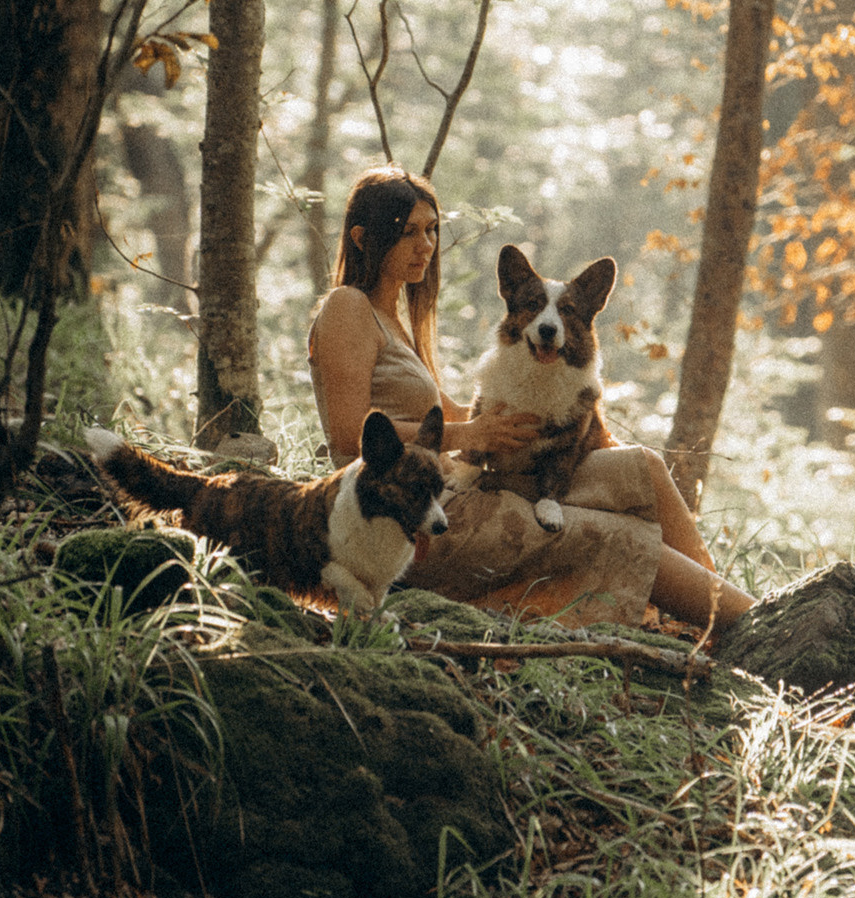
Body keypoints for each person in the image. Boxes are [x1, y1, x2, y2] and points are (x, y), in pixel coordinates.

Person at [308, 166, 755, 631]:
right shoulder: (347, 307)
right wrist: (471, 433)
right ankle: (745, 629)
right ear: (362, 238)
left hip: (451, 484)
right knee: (627, 539)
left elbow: (453, 416)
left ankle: (734, 612)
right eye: (409, 233)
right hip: (408, 516)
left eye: (432, 230)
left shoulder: (393, 320)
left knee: (641, 467)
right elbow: (347, 432)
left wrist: (569, 425)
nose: (426, 245)